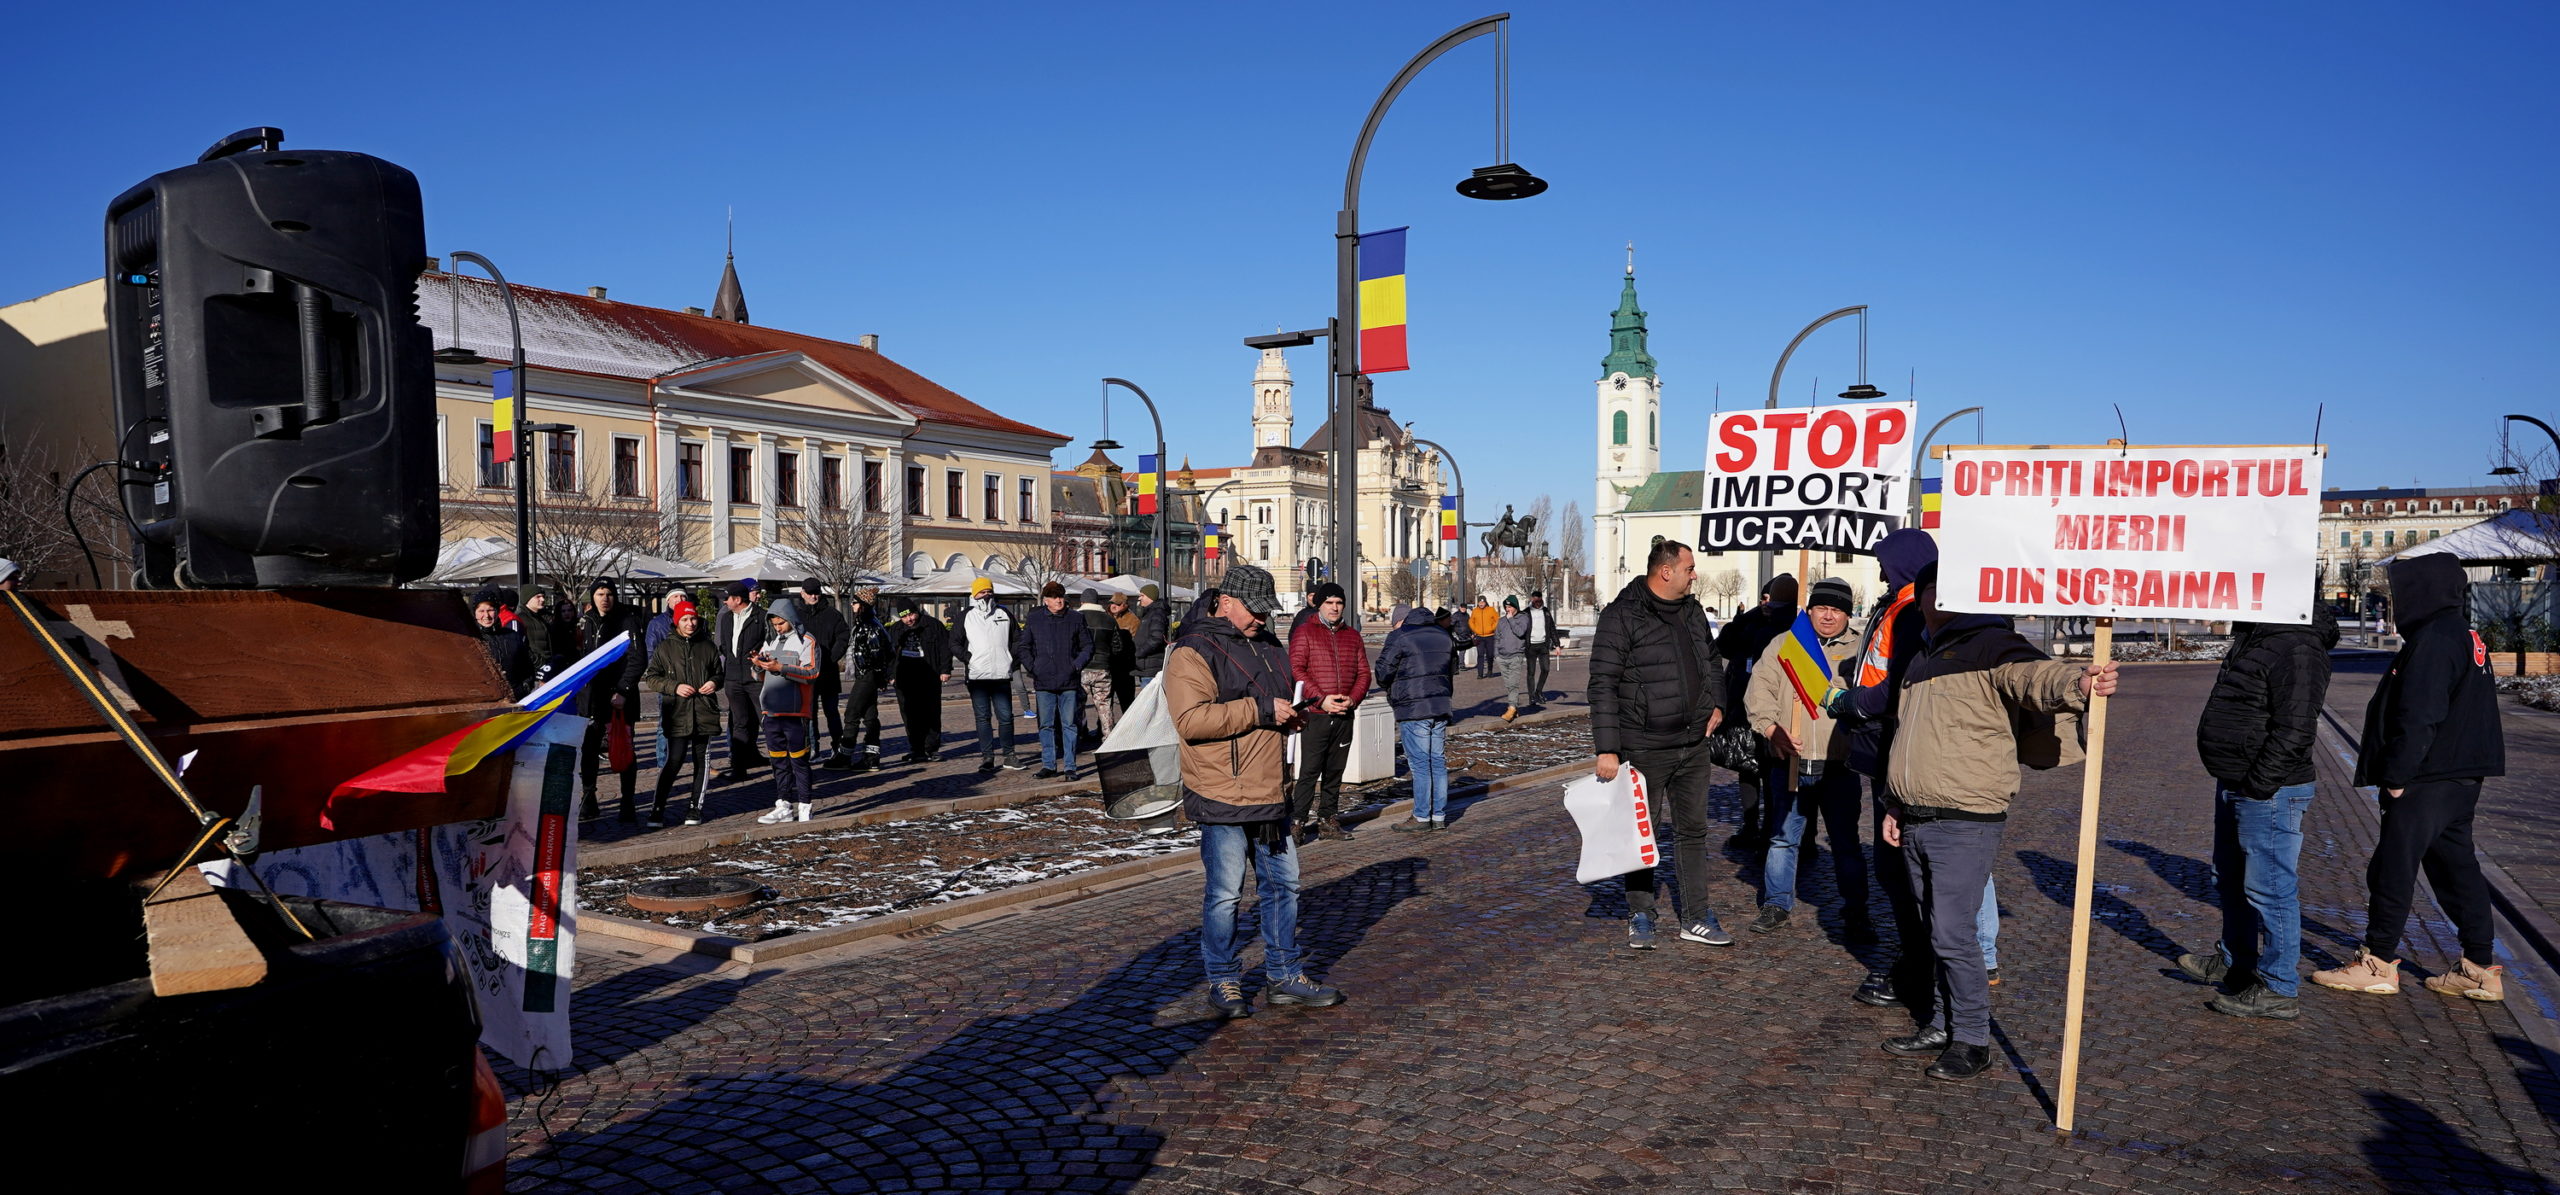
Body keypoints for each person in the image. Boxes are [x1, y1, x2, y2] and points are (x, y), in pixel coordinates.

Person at [1879, 563, 2116, 1081]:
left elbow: (2035, 676)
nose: (1942, 600)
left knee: (1952, 934)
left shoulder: (1990, 643)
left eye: (1951, 590)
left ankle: (1972, 1039)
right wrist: (1895, 803)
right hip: (1916, 816)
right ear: (1921, 599)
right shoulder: (1921, 656)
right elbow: (1909, 738)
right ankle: (1941, 1024)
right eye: (1934, 592)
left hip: (1965, 819)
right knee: (1931, 931)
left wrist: (2078, 681)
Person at [2313, 554, 2508, 1002]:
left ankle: (2377, 963)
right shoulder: (2462, 633)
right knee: (2456, 869)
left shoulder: (2434, 639)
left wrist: (2398, 775)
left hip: (2427, 774)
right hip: (2461, 774)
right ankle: (2479, 968)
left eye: (2401, 594)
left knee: (2393, 867)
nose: (2397, 603)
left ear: (2424, 592)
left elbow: (2419, 715)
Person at [1166, 563, 1344, 1018]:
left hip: (1270, 789)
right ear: (1226, 602)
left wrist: (1297, 712)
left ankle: (1284, 976)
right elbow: (1191, 720)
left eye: (1267, 611)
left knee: (1284, 888)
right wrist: (1263, 709)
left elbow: (1275, 701)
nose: (1262, 619)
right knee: (1226, 895)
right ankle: (1223, 980)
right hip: (1221, 790)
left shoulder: (1266, 643)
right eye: (1255, 610)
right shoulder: (1192, 649)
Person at [2181, 592, 2338, 1019]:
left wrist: (2259, 784)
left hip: (2268, 790)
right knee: (2229, 879)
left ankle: (2278, 987)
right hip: (2238, 781)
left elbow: (2296, 728)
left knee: (2269, 889)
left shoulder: (2299, 644)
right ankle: (2237, 962)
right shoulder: (2258, 633)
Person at [1589, 540, 1728, 951]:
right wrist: (1607, 748)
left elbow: (1712, 660)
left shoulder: (1692, 610)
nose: (1695, 574)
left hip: (1694, 744)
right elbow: (1602, 684)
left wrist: (1717, 703)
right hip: (1644, 745)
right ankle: (1641, 913)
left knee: (1693, 832)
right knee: (1641, 833)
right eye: (1689, 567)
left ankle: (1696, 916)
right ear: (1666, 571)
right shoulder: (1621, 615)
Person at [1826, 531, 1942, 1014]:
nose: (1878, 572)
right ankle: (1914, 962)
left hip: (1896, 750)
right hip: (1881, 748)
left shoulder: (1913, 609)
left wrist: (1851, 701)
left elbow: (1898, 686)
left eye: (1883, 563)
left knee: (1902, 870)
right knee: (1894, 869)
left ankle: (1917, 969)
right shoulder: (1899, 603)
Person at [1745, 577, 1868, 938]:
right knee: (1783, 839)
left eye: (1836, 610)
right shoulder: (1786, 644)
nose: (1828, 616)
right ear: (1810, 610)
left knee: (1845, 844)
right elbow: (1759, 691)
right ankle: (1776, 904)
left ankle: (1856, 911)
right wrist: (1771, 730)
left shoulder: (1861, 650)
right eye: (1821, 608)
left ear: (1847, 615)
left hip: (1838, 765)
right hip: (1790, 762)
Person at [1717, 574, 1800, 850]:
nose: (1765, 604)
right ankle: (1756, 827)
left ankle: (1769, 831)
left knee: (1771, 772)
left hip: (1770, 710)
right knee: (1750, 769)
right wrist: (1751, 614)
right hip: (1746, 708)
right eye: (1762, 599)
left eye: (1769, 600)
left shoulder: (1781, 628)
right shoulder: (1756, 623)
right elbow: (1725, 644)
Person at [1288, 581, 1370, 839]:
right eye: (1329, 603)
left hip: (1344, 714)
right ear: (1319, 605)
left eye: (1339, 603)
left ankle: (1328, 820)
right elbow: (1297, 669)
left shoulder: (1352, 636)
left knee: (1335, 770)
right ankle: (1297, 822)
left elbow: (1364, 673)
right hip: (1316, 715)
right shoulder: (1305, 632)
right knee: (1309, 771)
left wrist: (1353, 699)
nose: (1334, 608)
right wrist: (1321, 700)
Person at [1374, 603, 1455, 834]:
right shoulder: (1444, 636)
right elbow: (1451, 671)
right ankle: (1438, 815)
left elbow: (1382, 672)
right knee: (1437, 761)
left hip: (1413, 707)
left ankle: (1421, 816)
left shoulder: (1400, 636)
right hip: (1440, 705)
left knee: (1420, 764)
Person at [641, 599, 721, 826]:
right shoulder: (665, 647)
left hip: (703, 712)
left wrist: (714, 682)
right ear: (677, 622)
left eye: (693, 618)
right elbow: (652, 677)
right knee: (673, 761)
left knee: (701, 761)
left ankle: (695, 807)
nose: (690, 623)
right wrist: (674, 687)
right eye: (685, 619)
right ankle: (658, 808)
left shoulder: (707, 646)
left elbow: (718, 673)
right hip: (677, 713)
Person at [577, 578, 648, 821]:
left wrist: (623, 690)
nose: (604, 598)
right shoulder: (588, 621)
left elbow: (638, 659)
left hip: (620, 697)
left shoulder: (627, 621)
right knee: (589, 750)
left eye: (609, 594)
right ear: (592, 597)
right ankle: (589, 798)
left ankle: (627, 802)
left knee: (623, 748)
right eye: (600, 594)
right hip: (593, 698)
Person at [752, 600, 822, 824]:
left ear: (791, 619)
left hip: (796, 712)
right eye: (774, 624)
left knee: (799, 761)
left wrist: (780, 668)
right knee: (778, 762)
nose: (778, 628)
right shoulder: (770, 640)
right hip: (771, 711)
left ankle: (805, 804)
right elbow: (759, 676)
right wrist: (757, 665)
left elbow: (812, 672)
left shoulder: (807, 640)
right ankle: (783, 805)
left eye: (781, 623)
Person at [949, 577, 1025, 772]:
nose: (987, 595)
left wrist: (1011, 658)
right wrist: (969, 658)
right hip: (977, 677)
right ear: (974, 594)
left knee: (1006, 717)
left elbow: (1018, 639)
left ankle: (1009, 755)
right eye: (982, 592)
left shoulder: (1004, 613)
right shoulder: (966, 615)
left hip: (1001, 675)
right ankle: (987, 757)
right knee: (983, 718)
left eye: (989, 591)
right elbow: (954, 642)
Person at [1020, 581, 1093, 778]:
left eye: (1060, 596)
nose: (1058, 600)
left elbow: (1087, 646)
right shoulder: (1035, 618)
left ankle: (1070, 767)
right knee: (1046, 724)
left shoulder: (1076, 618)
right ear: (1046, 600)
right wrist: (1033, 667)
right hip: (1043, 680)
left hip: (1068, 681)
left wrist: (1075, 665)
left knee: (1070, 724)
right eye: (1054, 597)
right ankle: (1049, 765)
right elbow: (1024, 646)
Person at [828, 590, 893, 771]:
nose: (852, 605)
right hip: (867, 674)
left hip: (867, 675)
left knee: (852, 714)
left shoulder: (869, 625)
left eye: (855, 602)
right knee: (870, 716)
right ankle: (871, 758)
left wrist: (880, 677)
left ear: (862, 605)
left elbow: (877, 654)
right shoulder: (868, 623)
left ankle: (845, 756)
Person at [715, 582, 769, 784]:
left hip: (755, 679)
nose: (725, 602)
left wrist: (758, 662)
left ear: (738, 599)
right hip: (733, 678)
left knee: (767, 721)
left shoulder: (761, 616)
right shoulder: (726, 618)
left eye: (727, 598)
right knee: (739, 723)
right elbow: (724, 645)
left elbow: (769, 643)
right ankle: (739, 768)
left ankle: (783, 766)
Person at [884, 599, 951, 763]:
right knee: (909, 714)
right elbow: (889, 654)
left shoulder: (933, 625)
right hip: (904, 676)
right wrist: (890, 675)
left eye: (911, 615)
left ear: (917, 611)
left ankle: (931, 748)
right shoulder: (896, 629)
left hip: (929, 674)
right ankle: (916, 749)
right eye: (904, 617)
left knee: (931, 712)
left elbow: (945, 648)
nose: (909, 619)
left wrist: (945, 670)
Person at [795, 578, 852, 766]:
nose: (814, 596)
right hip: (806, 672)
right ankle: (812, 748)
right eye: (810, 593)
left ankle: (837, 747)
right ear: (802, 593)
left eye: (816, 593)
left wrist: (832, 657)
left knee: (831, 711)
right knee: (808, 713)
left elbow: (843, 636)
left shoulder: (832, 614)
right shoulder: (795, 615)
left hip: (828, 671)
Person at [1077, 587, 1126, 744]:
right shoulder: (1109, 620)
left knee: (1077, 705)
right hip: (1103, 667)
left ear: (1082, 601)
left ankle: (1079, 735)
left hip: (1081, 668)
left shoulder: (1075, 618)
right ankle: (1108, 739)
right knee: (1104, 705)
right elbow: (1118, 647)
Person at [469, 591, 533, 699]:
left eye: (490, 610)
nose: (486, 616)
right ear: (474, 613)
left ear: (497, 611)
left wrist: (525, 687)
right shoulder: (470, 640)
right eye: (481, 611)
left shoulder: (512, 636)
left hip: (516, 697)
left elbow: (527, 666)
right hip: (485, 699)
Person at [1496, 595, 1532, 721]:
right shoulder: (1501, 620)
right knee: (1508, 684)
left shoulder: (1523, 618)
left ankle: (1511, 708)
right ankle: (1514, 708)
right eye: (1506, 607)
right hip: (1502, 657)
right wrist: (1496, 654)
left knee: (1513, 683)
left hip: (1516, 655)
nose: (1508, 609)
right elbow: (1497, 637)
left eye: (1510, 607)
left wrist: (1511, 619)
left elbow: (1520, 632)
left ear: (1515, 607)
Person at [1107, 592, 1142, 713]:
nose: (1113, 606)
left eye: (1117, 604)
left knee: (1127, 703)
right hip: (1108, 666)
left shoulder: (1133, 620)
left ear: (1125, 605)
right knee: (1106, 703)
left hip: (1124, 667)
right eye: (1112, 603)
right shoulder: (1106, 617)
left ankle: (1129, 723)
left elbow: (1135, 643)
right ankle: (1103, 725)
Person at [1133, 584, 1173, 683]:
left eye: (1142, 595)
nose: (1139, 598)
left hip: (1151, 666)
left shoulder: (1156, 614)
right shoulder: (1149, 613)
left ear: (1150, 597)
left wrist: (1140, 652)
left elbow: (1156, 638)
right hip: (1146, 665)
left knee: (1149, 692)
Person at [1523, 591, 1556, 707]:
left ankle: (1538, 691)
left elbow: (1552, 628)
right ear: (1532, 599)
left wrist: (1557, 644)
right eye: (1535, 599)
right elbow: (1521, 630)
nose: (1537, 601)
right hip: (1531, 646)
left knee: (1546, 669)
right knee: (1531, 672)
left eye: (1539, 598)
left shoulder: (1546, 611)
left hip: (1543, 645)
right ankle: (1531, 696)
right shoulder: (1526, 612)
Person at [1468, 596, 1501, 678]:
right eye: (1480, 602)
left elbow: (1497, 619)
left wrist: (1492, 628)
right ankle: (1480, 674)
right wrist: (1475, 629)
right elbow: (1471, 621)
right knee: (1480, 655)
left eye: (1483, 602)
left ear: (1485, 602)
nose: (1481, 604)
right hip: (1479, 637)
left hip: (1490, 636)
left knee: (1490, 655)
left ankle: (1490, 670)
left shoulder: (1491, 610)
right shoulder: (1475, 611)